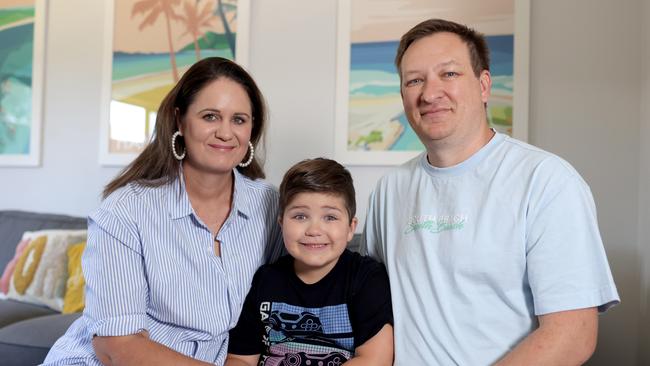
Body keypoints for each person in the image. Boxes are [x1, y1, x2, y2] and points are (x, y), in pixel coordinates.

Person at [362, 19, 620, 366]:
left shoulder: (546, 181)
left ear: (484, 85)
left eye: (449, 74)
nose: (429, 93)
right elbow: (371, 308)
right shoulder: (388, 191)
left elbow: (572, 334)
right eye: (414, 80)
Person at [43, 57, 283, 365]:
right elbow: (118, 345)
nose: (226, 132)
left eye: (239, 120)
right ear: (180, 121)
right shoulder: (126, 210)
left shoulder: (270, 205)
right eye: (210, 116)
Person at [225, 158, 394, 366]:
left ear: (351, 228)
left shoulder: (366, 278)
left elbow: (374, 359)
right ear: (281, 223)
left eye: (330, 217)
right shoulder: (265, 280)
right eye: (300, 216)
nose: (314, 230)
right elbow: (240, 359)